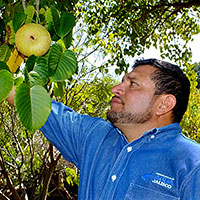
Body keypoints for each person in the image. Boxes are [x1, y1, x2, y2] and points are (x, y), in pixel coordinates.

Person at [7, 58, 200, 199]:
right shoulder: (94, 136)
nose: (115, 88)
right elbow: (37, 104)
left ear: (164, 104)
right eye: (122, 80)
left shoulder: (192, 164)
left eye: (132, 84)